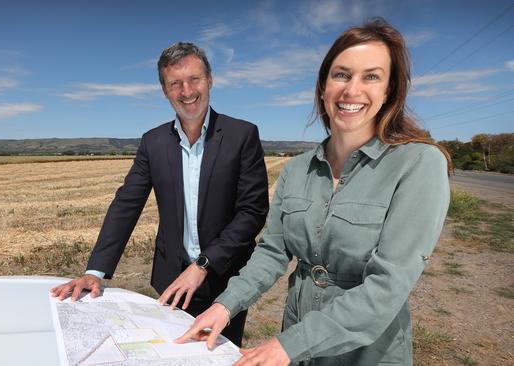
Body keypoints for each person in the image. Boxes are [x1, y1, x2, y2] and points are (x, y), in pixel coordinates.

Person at [177, 18, 451, 365]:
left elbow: (387, 287)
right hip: (299, 336)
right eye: (341, 75)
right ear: (323, 88)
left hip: (367, 352)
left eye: (371, 76)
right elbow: (272, 253)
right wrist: (224, 306)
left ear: (389, 91)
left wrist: (288, 346)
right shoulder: (296, 170)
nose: (352, 90)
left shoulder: (418, 164)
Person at [50, 42, 269, 346]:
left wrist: (203, 265)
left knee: (219, 355)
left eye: (194, 79)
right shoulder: (153, 142)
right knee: (173, 352)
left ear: (210, 80)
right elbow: (127, 203)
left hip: (226, 281)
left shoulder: (242, 135)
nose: (187, 91)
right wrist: (95, 270)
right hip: (172, 281)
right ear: (165, 91)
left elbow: (252, 212)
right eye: (175, 83)